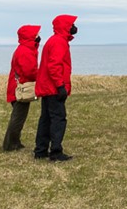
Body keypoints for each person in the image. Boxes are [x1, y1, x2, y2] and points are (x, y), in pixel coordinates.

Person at [34, 14, 78, 162]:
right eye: (71, 24)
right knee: (58, 119)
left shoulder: (54, 40)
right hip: (53, 88)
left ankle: (40, 150)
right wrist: (60, 86)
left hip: (47, 87)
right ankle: (56, 152)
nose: (74, 27)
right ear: (65, 26)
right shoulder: (59, 42)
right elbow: (54, 65)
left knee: (46, 119)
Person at [3, 24, 40, 151]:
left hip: (16, 87)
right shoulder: (25, 51)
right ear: (29, 36)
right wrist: (41, 74)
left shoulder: (24, 49)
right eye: (35, 34)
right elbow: (30, 72)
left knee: (18, 116)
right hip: (20, 89)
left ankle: (14, 142)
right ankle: (10, 144)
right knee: (18, 117)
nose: (38, 36)